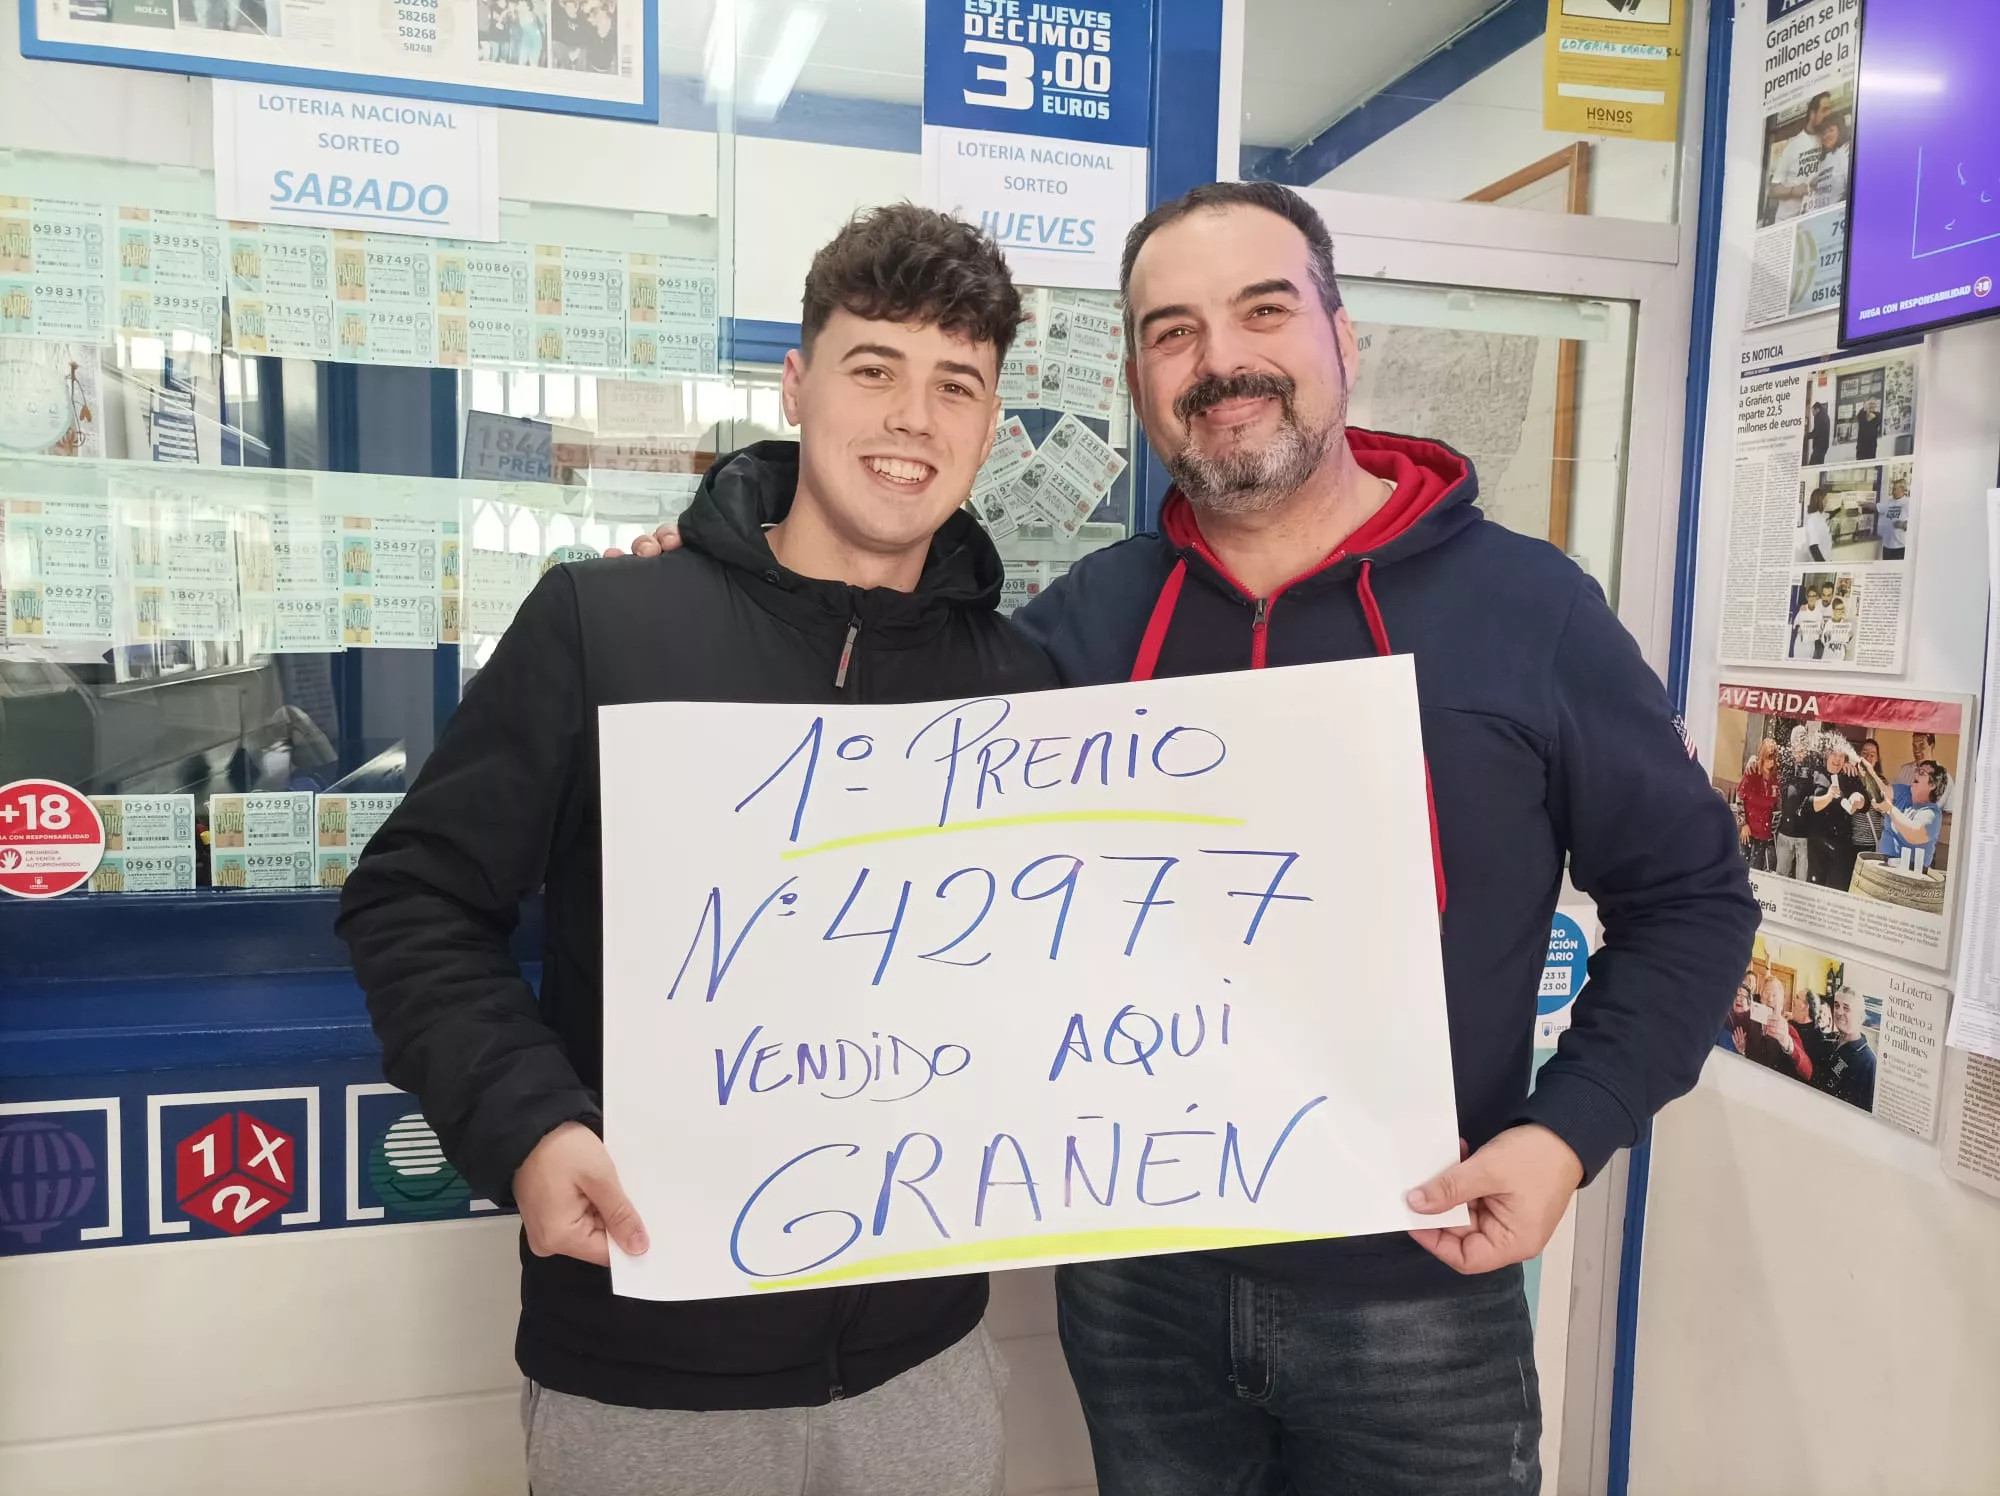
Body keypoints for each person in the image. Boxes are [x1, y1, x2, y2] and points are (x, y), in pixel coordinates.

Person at [625, 180, 1759, 1493]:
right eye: (1172, 331)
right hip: (1141, 1293)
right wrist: (713, 583)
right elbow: (870, 792)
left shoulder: (1530, 610)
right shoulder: (1082, 629)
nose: (1221, 359)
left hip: (1422, 1292)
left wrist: (1570, 1134)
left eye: (1262, 310)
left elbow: (1692, 901)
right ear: (1138, 378)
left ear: (1345, 338)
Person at [338, 206, 1053, 1496]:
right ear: (796, 383)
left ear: (988, 427)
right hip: (645, 1358)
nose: (911, 417)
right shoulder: (606, 623)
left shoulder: (1020, 690)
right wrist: (527, 1123)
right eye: (873, 367)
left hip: (923, 1367)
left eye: (956, 384)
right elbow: (413, 901)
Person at [1807, 743, 1866, 891]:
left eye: (1841, 756)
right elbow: (1807, 805)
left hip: (1841, 847)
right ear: (1827, 754)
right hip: (1817, 845)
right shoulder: (1815, 772)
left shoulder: (1848, 775)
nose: (1837, 759)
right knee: (1815, 891)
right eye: (1834, 754)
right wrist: (1828, 797)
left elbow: (1864, 801)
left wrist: (1859, 800)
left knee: (1837, 891)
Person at [1767, 92, 1832, 224]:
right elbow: (1773, 190)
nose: (1828, 114)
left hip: (1811, 219)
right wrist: (1793, 191)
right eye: (1824, 110)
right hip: (1786, 222)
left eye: (1829, 110)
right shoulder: (1793, 145)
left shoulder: (1827, 139)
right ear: (1813, 114)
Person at [1875, 761, 1948, 871]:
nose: (1916, 774)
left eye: (1922, 773)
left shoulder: (1932, 813)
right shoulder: (1904, 791)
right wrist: (1867, 769)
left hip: (1910, 877)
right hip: (1883, 866)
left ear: (1932, 785)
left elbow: (1913, 835)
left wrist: (1890, 809)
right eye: (1917, 770)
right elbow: (1881, 791)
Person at [1814, 986, 1877, 1112]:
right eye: (1837, 1006)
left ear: (1860, 1017)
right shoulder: (1828, 1044)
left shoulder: (1869, 1061)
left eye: (1846, 1008)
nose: (1839, 1012)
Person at [1774, 726, 1815, 880]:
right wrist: (1752, 760)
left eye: (1803, 739)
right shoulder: (1784, 762)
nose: (1800, 744)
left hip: (1804, 836)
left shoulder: (1813, 763)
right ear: (1792, 744)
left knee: (1801, 882)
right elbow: (1764, 761)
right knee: (1780, 877)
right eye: (1797, 740)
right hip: (1785, 832)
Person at [1738, 737, 1779, 871]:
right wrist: (1743, 824)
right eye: (1767, 759)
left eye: (1772, 759)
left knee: (1756, 874)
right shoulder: (1752, 772)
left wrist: (1772, 828)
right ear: (1761, 757)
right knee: (1742, 871)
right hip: (1747, 833)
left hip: (1763, 835)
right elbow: (1740, 798)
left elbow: (1777, 806)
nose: (1770, 763)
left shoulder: (1776, 778)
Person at [1805, 114, 1851, 215]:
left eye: (1831, 130)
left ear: (1840, 130)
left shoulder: (1844, 153)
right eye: (1824, 132)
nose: (1826, 136)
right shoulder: (1820, 161)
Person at [1797, 486, 1835, 565]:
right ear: (1820, 500)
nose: (1827, 502)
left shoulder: (1820, 515)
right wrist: (1822, 565)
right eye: (1825, 499)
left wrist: (1840, 509)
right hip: (1820, 561)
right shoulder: (1812, 519)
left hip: (1827, 558)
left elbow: (1830, 514)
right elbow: (1813, 547)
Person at [1791, 581, 1827, 658]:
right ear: (1807, 597)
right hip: (1800, 643)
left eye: (1814, 596)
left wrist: (1819, 631)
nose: (1812, 598)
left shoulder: (1819, 612)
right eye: (1810, 596)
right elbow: (1795, 625)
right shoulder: (1802, 609)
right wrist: (1799, 629)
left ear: (1817, 597)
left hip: (1811, 644)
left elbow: (1821, 628)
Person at [1877, 474, 1909, 559]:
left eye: (1894, 489)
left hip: (1900, 546)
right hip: (1887, 545)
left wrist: (1903, 524)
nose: (1892, 491)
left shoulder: (1908, 503)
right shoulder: (1889, 501)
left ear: (1901, 489)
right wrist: (1862, 504)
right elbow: (1876, 507)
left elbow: (1916, 524)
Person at [1820, 595, 1853, 663]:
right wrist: (1826, 636)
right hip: (1828, 657)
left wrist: (1850, 637)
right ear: (1833, 610)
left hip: (1839, 658)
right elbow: (1823, 641)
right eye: (1838, 609)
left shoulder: (1845, 624)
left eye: (1842, 609)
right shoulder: (1828, 623)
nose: (1841, 611)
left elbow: (1846, 643)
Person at [1854, 397, 1881, 461]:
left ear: (1876, 405)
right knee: (1860, 466)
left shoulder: (1878, 415)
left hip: (1871, 446)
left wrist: (1867, 410)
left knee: (1870, 466)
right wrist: (1865, 409)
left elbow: (1869, 419)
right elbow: (1862, 420)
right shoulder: (1861, 413)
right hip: (1861, 446)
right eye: (1870, 403)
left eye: (1873, 404)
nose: (1872, 405)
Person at [1807, 400, 1831, 467]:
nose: (1812, 413)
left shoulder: (1820, 417)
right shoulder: (1823, 415)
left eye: (1813, 411)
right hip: (1822, 446)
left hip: (1820, 446)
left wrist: (1806, 436)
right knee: (1818, 464)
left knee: (1813, 465)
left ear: (1817, 409)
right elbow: (1816, 431)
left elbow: (1816, 432)